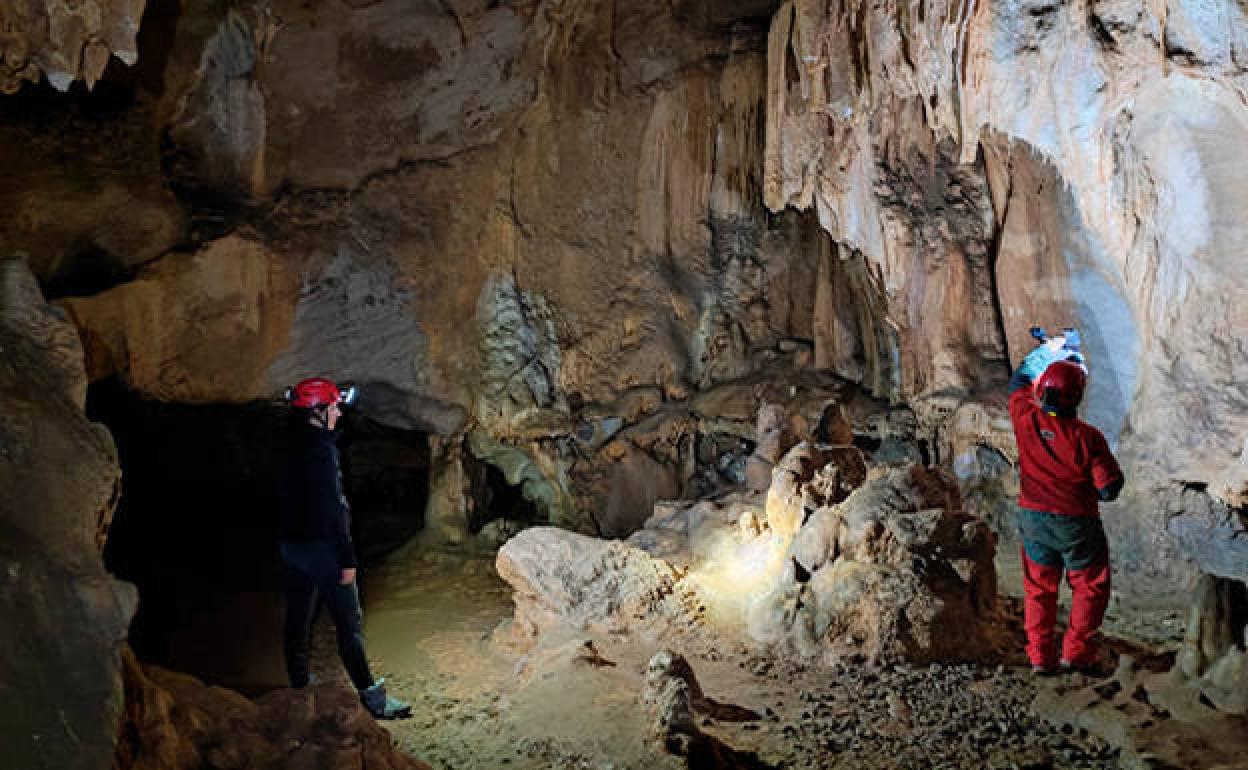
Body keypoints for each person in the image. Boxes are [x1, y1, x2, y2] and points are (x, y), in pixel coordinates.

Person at [276, 377, 411, 719]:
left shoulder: (288, 445)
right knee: (348, 623)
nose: (338, 411)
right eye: (333, 406)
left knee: (297, 618)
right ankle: (373, 698)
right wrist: (347, 559)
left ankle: (299, 685)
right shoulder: (321, 451)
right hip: (324, 552)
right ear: (316, 413)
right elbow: (334, 510)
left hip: (293, 548)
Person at [1008, 333, 1124, 675]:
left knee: (1039, 588)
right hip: (1076, 524)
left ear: (1042, 392)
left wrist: (1047, 348)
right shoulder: (1088, 438)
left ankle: (1040, 657)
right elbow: (1109, 489)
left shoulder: (1025, 418)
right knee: (1089, 587)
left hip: (1034, 519)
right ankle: (1076, 652)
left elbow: (1018, 380)